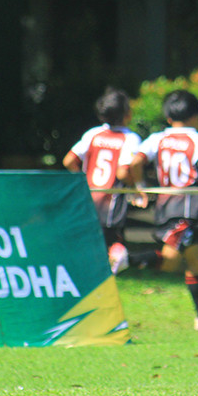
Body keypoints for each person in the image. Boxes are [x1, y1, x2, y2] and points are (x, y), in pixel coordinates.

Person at [116, 89, 198, 330]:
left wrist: (140, 188)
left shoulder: (158, 138)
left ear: (168, 117)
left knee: (195, 259)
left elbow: (134, 162)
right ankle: (126, 260)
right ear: (196, 116)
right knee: (171, 261)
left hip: (165, 206)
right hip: (186, 209)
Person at [63, 87, 142, 275]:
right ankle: (108, 275)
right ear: (127, 114)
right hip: (111, 202)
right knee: (114, 242)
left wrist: (82, 181)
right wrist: (136, 188)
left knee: (91, 242)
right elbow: (123, 173)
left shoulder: (93, 135)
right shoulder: (130, 138)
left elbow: (68, 161)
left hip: (88, 198)